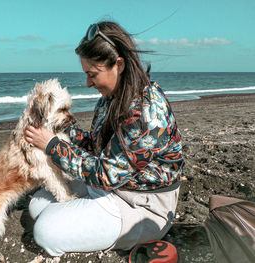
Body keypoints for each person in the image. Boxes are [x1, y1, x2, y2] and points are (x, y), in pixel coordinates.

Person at [25, 21, 183, 257]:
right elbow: (97, 146)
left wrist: (52, 145)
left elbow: (106, 173)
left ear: (118, 64)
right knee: (36, 205)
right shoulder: (111, 99)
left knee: (45, 231)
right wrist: (61, 129)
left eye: (92, 74)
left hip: (141, 204)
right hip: (113, 187)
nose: (88, 83)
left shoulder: (147, 113)